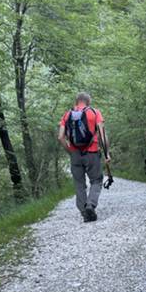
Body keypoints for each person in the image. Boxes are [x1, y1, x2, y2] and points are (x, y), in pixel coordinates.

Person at [58, 92, 110, 222]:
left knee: (79, 184)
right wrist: (107, 153)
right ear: (88, 102)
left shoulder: (67, 114)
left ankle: (83, 211)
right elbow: (103, 136)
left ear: (76, 102)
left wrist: (70, 151)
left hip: (75, 153)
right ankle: (90, 205)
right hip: (92, 152)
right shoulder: (94, 112)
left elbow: (60, 137)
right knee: (96, 180)